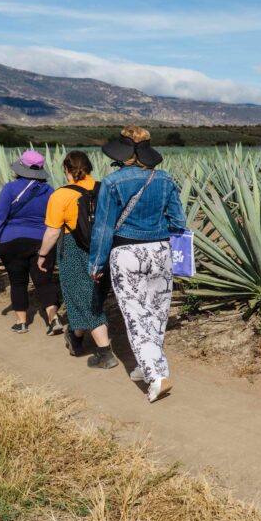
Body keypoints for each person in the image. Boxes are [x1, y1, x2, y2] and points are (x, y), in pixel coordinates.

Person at [88, 126, 186, 403]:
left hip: (126, 252)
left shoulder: (112, 182)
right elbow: (179, 222)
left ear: (122, 153)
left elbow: (103, 227)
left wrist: (96, 263)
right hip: (161, 251)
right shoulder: (165, 179)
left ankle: (156, 376)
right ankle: (148, 368)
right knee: (157, 314)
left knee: (136, 317)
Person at [36, 151, 117, 368]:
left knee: (82, 296)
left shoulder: (60, 195)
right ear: (89, 168)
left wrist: (43, 255)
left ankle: (105, 353)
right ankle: (76, 336)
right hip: (103, 246)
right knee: (92, 294)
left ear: (67, 170)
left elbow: (52, 232)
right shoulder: (104, 189)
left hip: (74, 248)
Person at [0, 151, 62, 334]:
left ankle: (22, 323)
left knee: (18, 282)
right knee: (44, 281)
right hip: (42, 241)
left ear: (20, 168)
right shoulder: (50, 191)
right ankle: (54, 318)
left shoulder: (10, 188)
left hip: (12, 241)